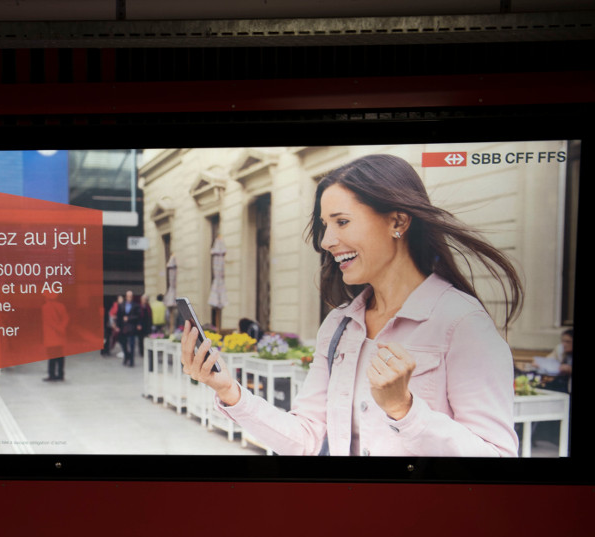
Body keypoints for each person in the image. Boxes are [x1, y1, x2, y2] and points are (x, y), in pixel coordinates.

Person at [182, 153, 523, 457]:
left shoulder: (462, 323)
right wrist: (228, 391)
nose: (327, 241)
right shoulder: (339, 325)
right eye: (324, 225)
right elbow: (306, 439)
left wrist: (405, 410)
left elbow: (495, 458)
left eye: (341, 222)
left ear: (398, 222)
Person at [42, 288, 68, 381]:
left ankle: (52, 374)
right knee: (60, 355)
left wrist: (57, 328)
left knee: (51, 355)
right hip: (60, 335)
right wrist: (61, 328)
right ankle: (61, 374)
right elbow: (66, 318)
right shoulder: (62, 306)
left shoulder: (45, 307)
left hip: (51, 335)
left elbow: (49, 322)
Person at [115, 289, 144, 367]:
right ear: (126, 296)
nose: (129, 297)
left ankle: (131, 361)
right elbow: (119, 316)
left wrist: (129, 319)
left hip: (132, 327)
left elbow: (138, 316)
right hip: (123, 328)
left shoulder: (136, 305)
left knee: (132, 344)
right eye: (128, 296)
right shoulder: (121, 305)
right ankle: (127, 356)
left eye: (131, 296)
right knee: (123, 343)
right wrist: (117, 326)